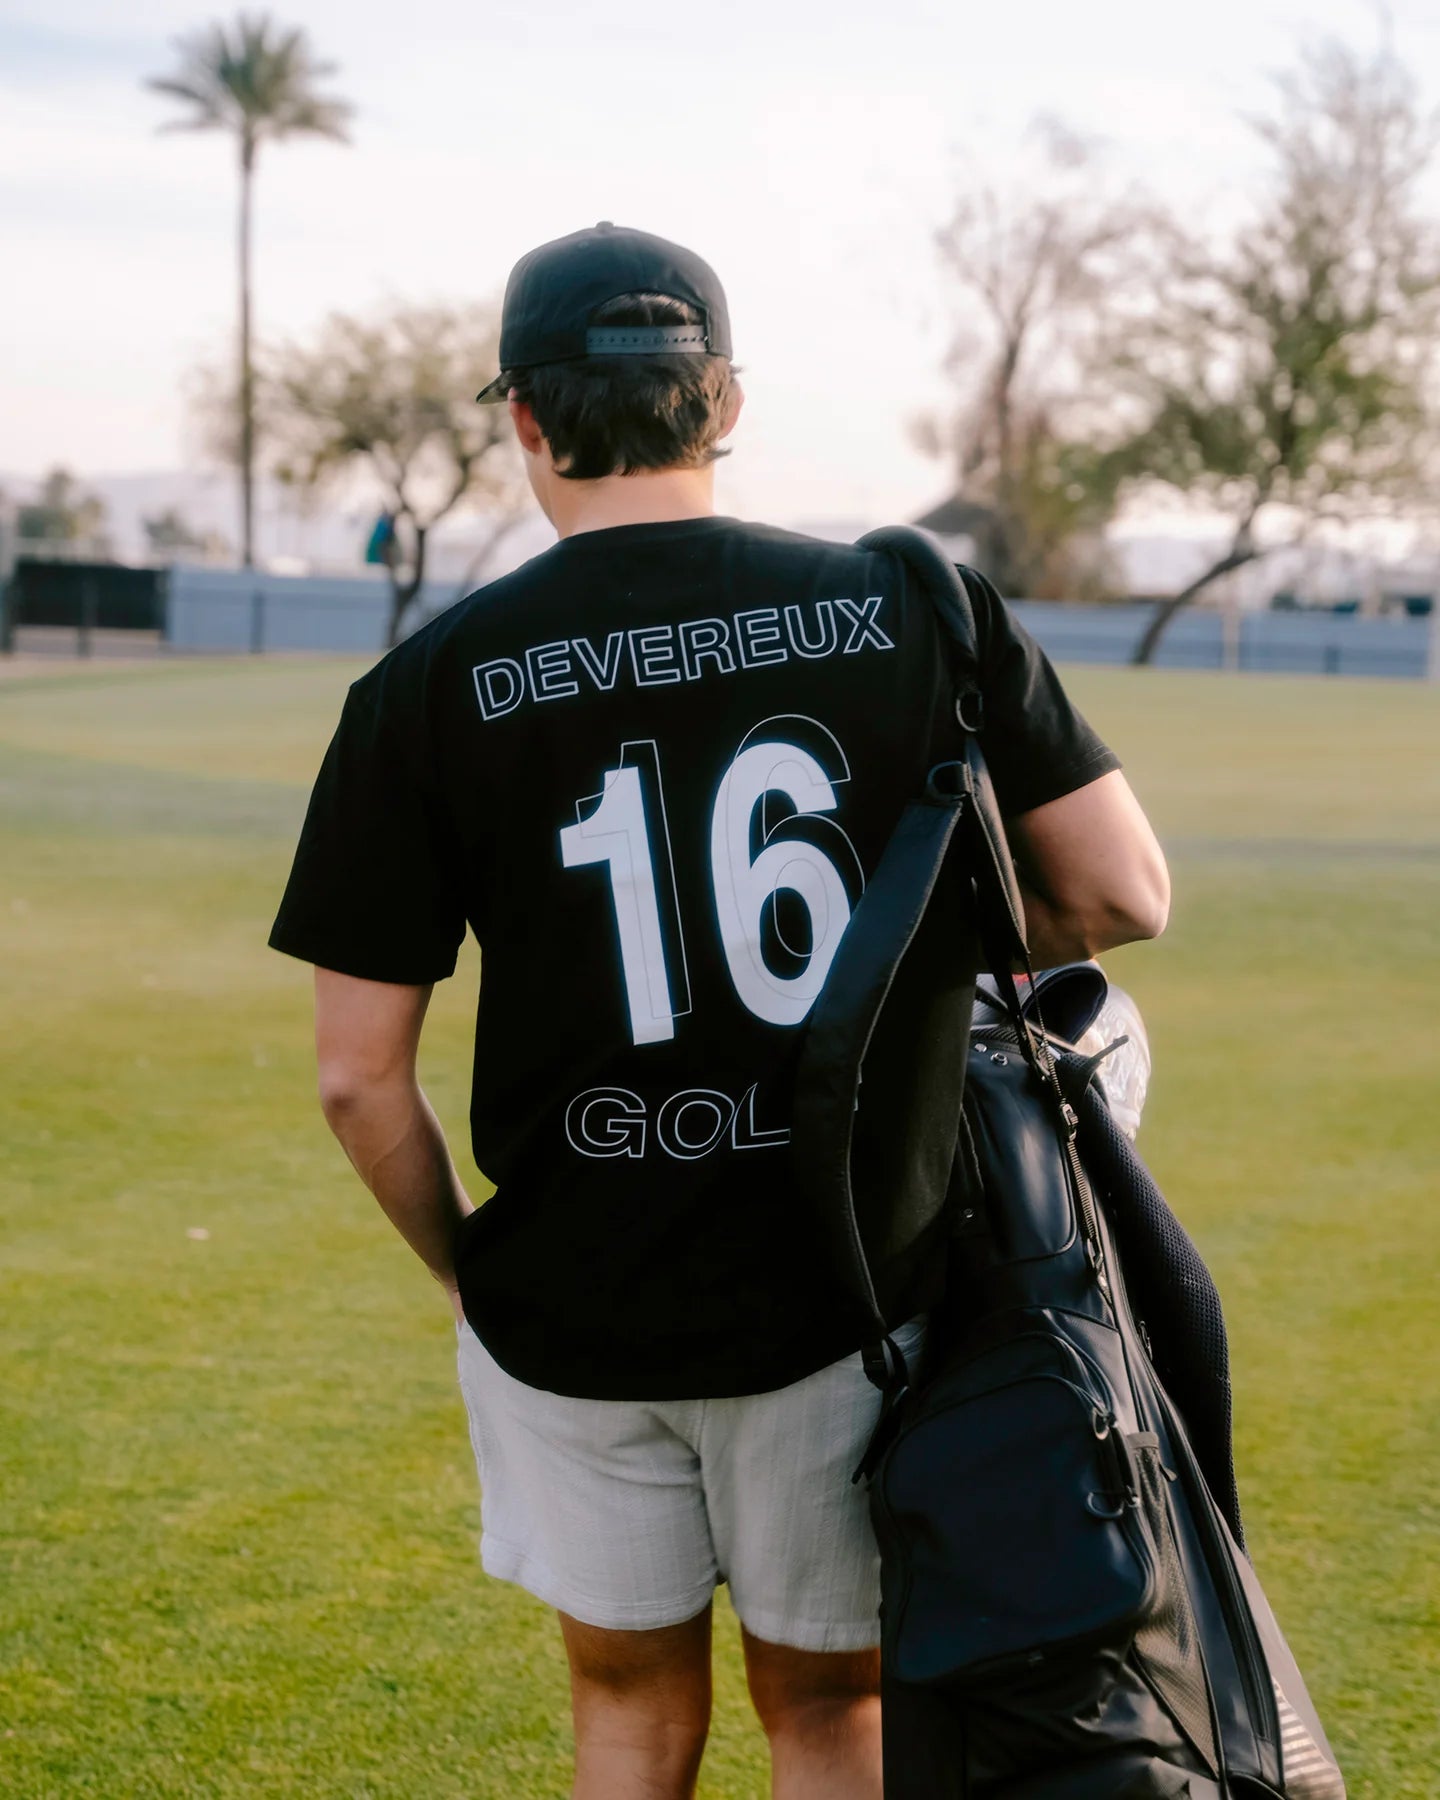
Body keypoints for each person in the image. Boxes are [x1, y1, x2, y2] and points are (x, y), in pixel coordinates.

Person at [269, 222, 1170, 1800]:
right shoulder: (914, 607)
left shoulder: (422, 687)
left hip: (570, 1303)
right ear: (728, 402)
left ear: (524, 417)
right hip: (845, 1284)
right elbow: (1121, 893)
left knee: (626, 1711)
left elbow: (359, 1081)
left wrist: (474, 1271)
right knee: (829, 1714)